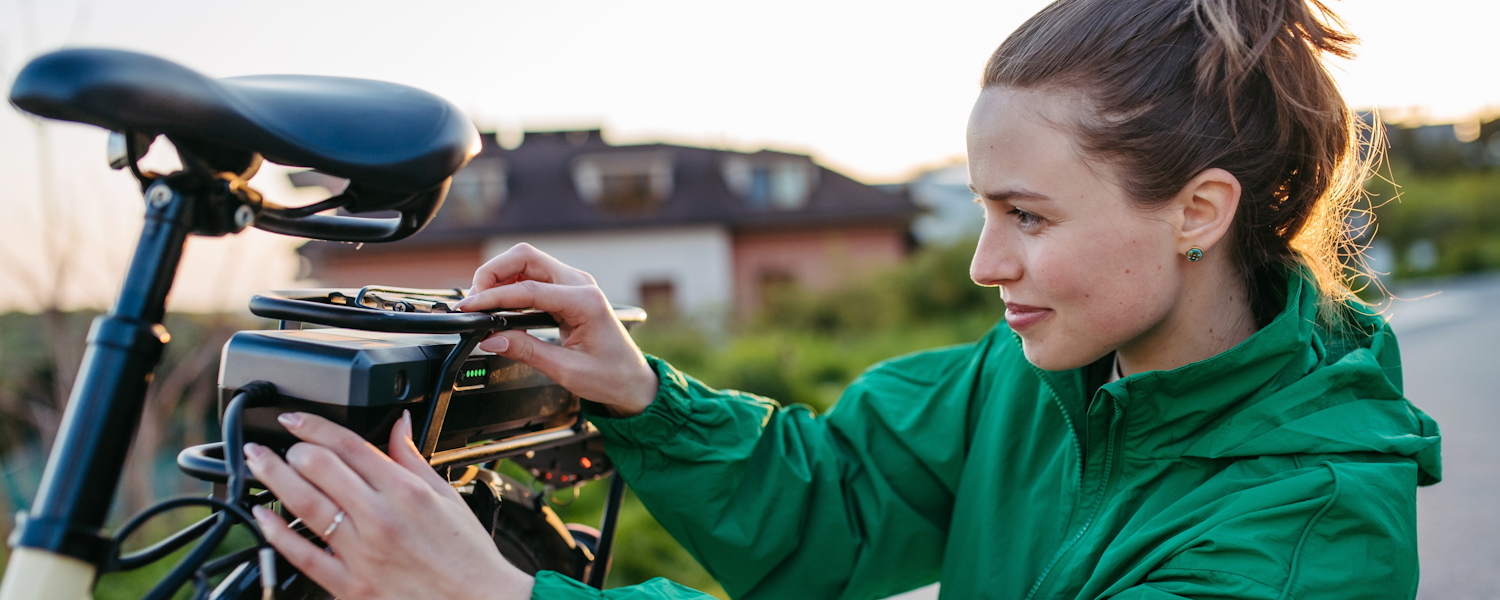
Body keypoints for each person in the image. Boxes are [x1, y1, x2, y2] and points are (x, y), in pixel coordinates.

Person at [242, 0, 1443, 598]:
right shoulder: (1044, 378)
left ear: (1199, 212)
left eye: (1027, 216)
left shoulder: (1302, 537)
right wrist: (644, 398)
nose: (985, 264)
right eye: (983, 210)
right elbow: (839, 499)